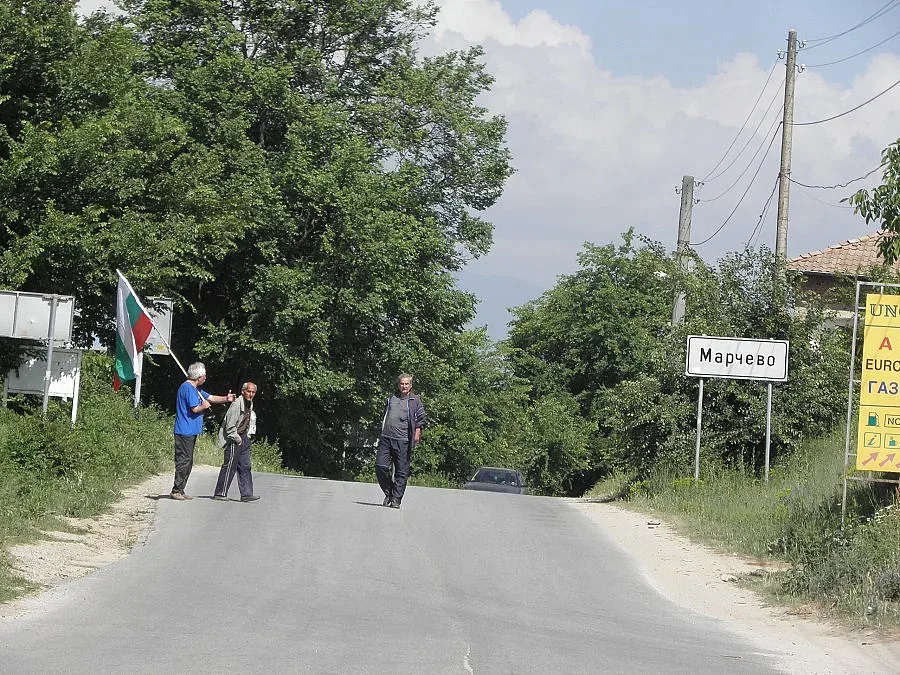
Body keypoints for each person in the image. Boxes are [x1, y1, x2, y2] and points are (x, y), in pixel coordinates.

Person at [171, 362, 234, 500]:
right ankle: (176, 490)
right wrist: (204, 406)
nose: (205, 378)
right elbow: (195, 408)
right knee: (184, 461)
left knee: (189, 461)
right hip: (184, 431)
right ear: (198, 376)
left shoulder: (196, 389)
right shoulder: (187, 388)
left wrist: (226, 398)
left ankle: (180, 490)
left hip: (190, 431)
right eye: (204, 375)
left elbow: (211, 398)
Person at [375, 374, 426, 509]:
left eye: (406, 384)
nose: (404, 386)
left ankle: (396, 499)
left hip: (403, 440)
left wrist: (417, 434)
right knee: (380, 466)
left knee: (401, 471)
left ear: (410, 386)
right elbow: (385, 414)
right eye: (402, 384)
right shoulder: (392, 398)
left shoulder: (415, 400)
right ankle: (389, 492)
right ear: (399, 385)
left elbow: (421, 418)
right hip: (386, 437)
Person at [212, 381, 260, 502]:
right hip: (234, 437)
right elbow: (230, 427)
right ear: (243, 392)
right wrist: (238, 439)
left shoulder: (250, 403)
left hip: (244, 436)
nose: (251, 394)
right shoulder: (237, 404)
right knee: (230, 466)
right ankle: (220, 493)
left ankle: (246, 494)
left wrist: (246, 437)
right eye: (249, 391)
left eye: (253, 392)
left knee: (245, 466)